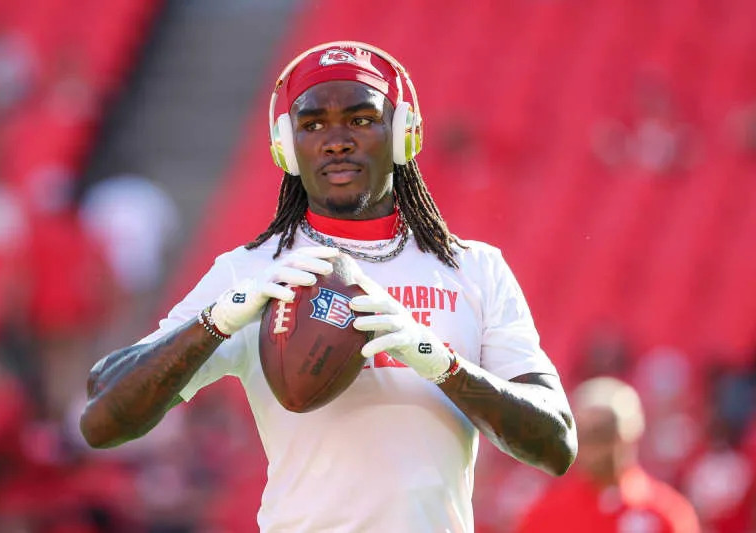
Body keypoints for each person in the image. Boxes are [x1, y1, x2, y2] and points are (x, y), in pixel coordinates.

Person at [80, 41, 577, 532]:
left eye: (361, 119)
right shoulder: (252, 272)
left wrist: (436, 359)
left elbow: (556, 444)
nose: (336, 140)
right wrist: (221, 317)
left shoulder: (474, 267)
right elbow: (103, 417)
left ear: (403, 133)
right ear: (287, 146)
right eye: (313, 124)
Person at [516, 376, 700, 533]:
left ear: (632, 431)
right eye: (584, 434)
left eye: (604, 431)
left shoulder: (667, 512)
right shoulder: (546, 515)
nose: (595, 445)